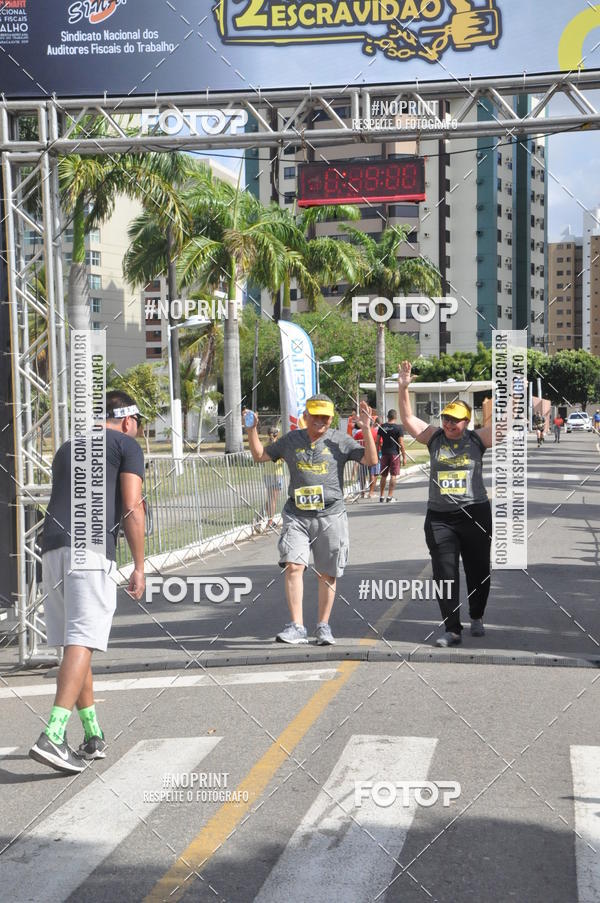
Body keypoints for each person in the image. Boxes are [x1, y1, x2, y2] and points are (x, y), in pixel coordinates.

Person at [29, 391, 146, 774]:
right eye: (138, 424)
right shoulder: (126, 445)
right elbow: (132, 506)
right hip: (90, 550)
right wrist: (139, 565)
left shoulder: (67, 447)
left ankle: (93, 734)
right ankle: (53, 734)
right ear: (127, 420)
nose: (138, 431)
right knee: (84, 639)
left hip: (52, 548)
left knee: (75, 643)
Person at [244, 395, 377, 645]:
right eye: (315, 415)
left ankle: (323, 626)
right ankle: (297, 626)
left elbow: (371, 460)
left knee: (327, 574)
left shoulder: (340, 440)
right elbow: (260, 455)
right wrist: (251, 430)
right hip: (297, 515)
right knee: (293, 566)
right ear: (305, 416)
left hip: (331, 516)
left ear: (331, 418)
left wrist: (367, 429)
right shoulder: (291, 440)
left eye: (325, 416)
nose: (320, 420)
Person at [397, 361, 493, 648]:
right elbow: (408, 418)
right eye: (447, 418)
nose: (450, 424)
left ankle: (476, 614)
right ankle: (452, 629)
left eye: (456, 420)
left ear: (467, 422)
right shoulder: (434, 438)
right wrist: (403, 388)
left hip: (475, 514)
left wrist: (512, 396)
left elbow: (504, 427)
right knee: (445, 573)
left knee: (479, 572)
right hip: (440, 518)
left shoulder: (477, 439)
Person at [378, 409, 407, 503]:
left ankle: (381, 496)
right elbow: (401, 443)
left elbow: (377, 442)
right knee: (393, 475)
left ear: (387, 416)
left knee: (383, 475)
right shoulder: (398, 428)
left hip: (384, 454)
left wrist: (377, 453)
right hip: (394, 454)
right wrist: (404, 457)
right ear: (396, 417)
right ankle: (389, 497)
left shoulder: (382, 427)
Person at [353, 414, 380, 498]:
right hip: (374, 456)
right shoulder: (376, 432)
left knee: (362, 475)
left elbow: (354, 444)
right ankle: (371, 493)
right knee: (373, 474)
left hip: (362, 456)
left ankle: (362, 493)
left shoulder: (358, 433)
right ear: (372, 424)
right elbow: (380, 444)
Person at [263, 426, 284, 528]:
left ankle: (264, 517)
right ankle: (270, 522)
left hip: (267, 474)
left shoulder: (266, 444)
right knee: (273, 500)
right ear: (277, 434)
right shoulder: (279, 445)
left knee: (270, 498)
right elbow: (283, 459)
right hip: (277, 474)